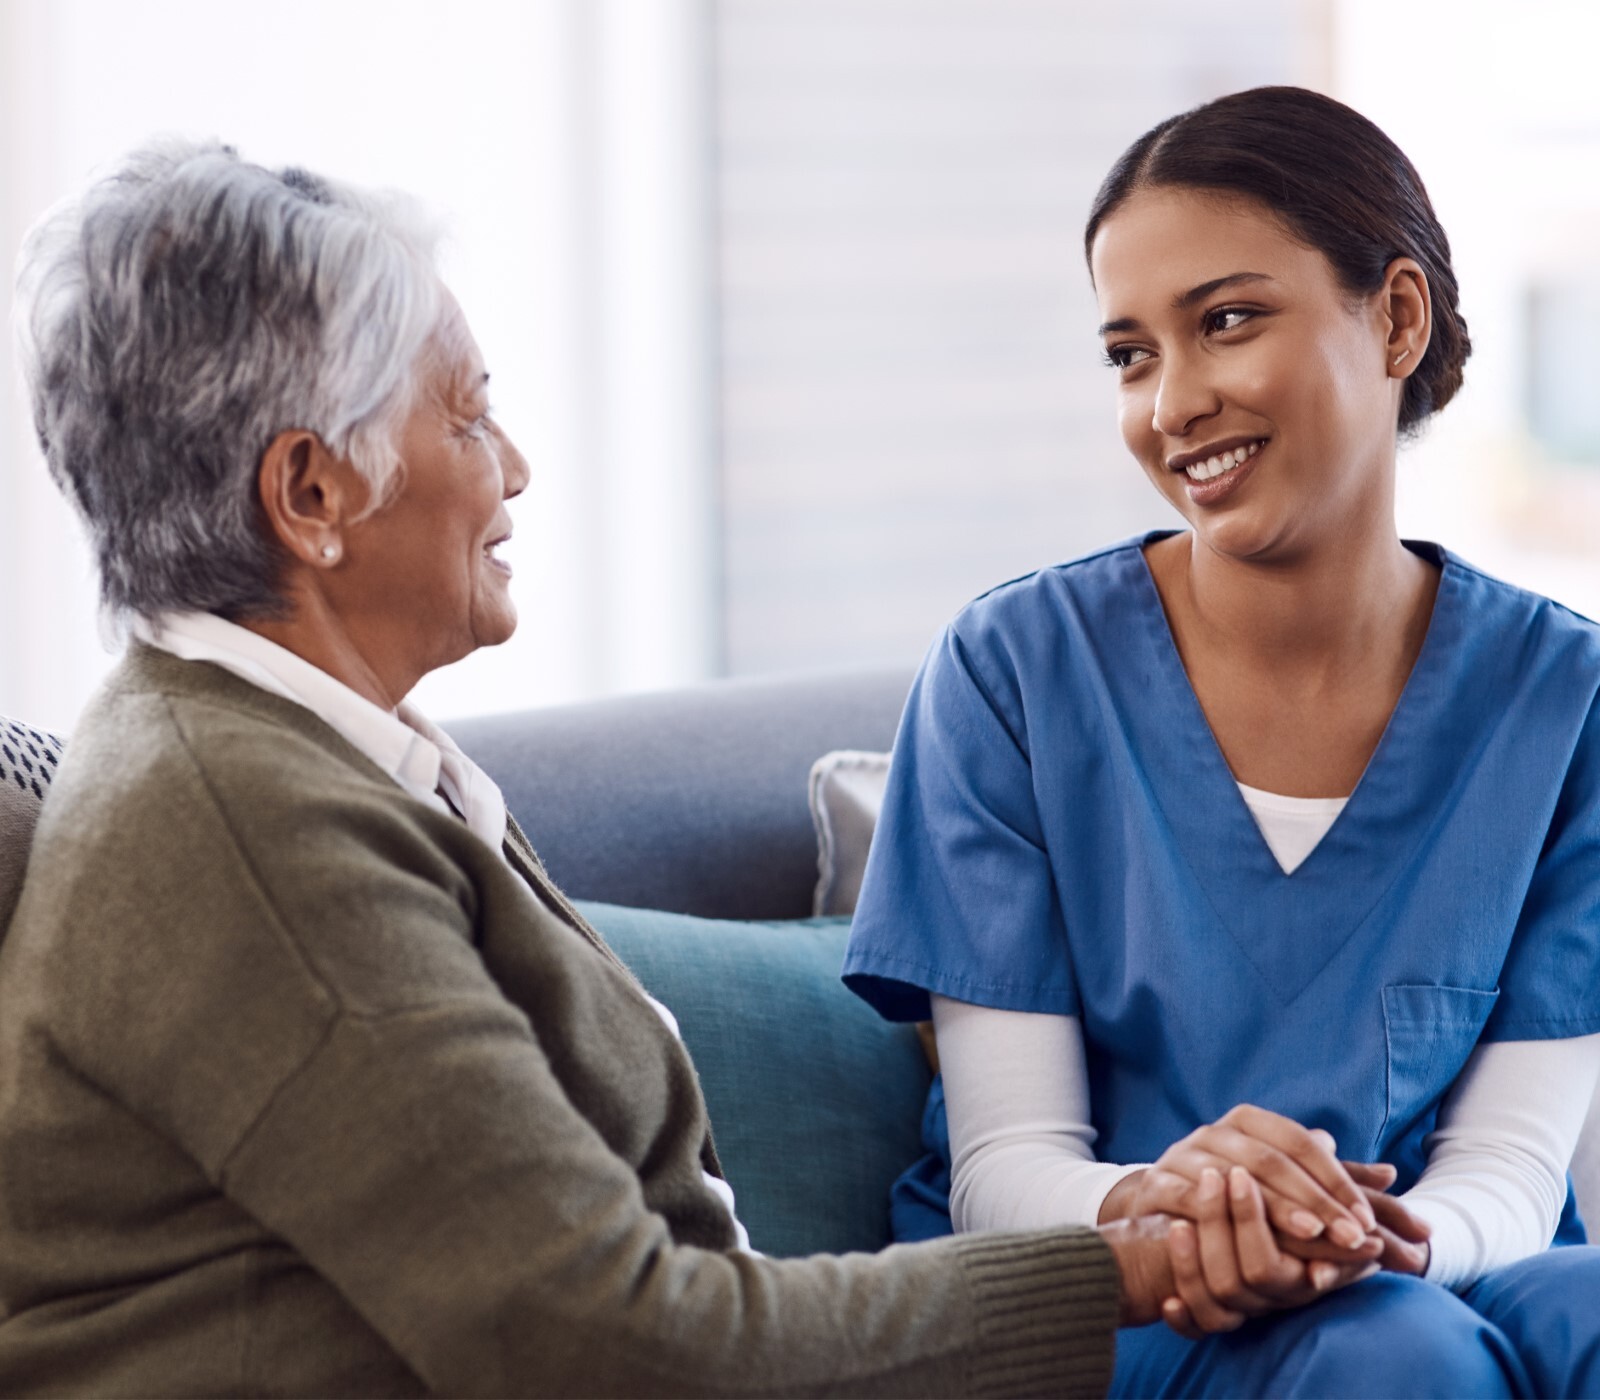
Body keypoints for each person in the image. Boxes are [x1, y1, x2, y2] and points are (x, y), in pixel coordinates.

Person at [0, 139, 1305, 1398]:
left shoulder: (299, 760)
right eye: (467, 416)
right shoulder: (253, 837)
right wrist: (1119, 1271)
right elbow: (615, 1355)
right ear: (311, 496)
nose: (512, 467)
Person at [843, 86, 1600, 1398]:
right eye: (1129, 355)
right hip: (1113, 1289)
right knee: (1393, 1361)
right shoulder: (1014, 675)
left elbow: (1515, 1173)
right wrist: (1186, 1206)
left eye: (1227, 322)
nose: (1172, 402)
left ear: (1397, 320)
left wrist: (1378, 1239)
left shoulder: (1565, 701)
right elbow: (1006, 1167)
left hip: (1433, 1265)